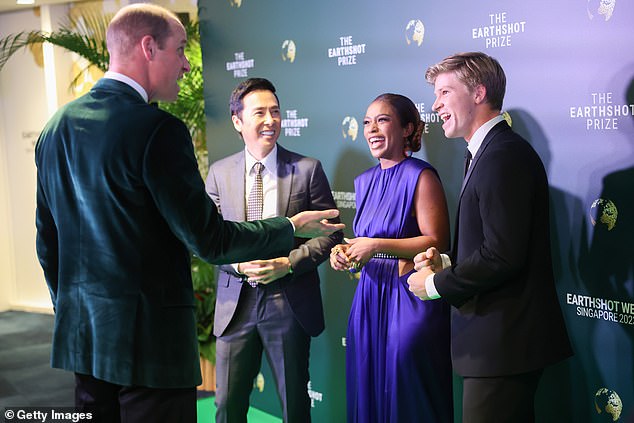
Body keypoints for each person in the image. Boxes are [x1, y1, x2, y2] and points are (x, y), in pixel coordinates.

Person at [34, 5, 343, 423]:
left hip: (82, 339)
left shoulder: (54, 128)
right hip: (150, 349)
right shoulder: (157, 130)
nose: (185, 64)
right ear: (148, 47)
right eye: (180, 50)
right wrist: (291, 225)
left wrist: (72, 309)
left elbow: (47, 242)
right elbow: (209, 239)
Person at [407, 52, 573, 422]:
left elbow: (502, 256)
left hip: (504, 345)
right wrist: (447, 262)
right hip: (496, 344)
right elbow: (495, 243)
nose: (435, 105)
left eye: (445, 92)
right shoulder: (488, 152)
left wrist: (434, 283)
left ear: (479, 92)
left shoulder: (503, 155)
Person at [205, 77, 343, 423]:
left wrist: (288, 263)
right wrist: (238, 266)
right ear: (238, 121)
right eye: (260, 113)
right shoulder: (219, 173)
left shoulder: (307, 170)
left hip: (288, 301)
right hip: (234, 305)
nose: (271, 120)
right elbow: (209, 241)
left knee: (295, 405)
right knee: (227, 408)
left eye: (276, 112)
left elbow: (329, 236)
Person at [330, 93, 453, 422]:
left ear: (407, 128)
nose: (371, 128)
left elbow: (438, 241)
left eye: (382, 120)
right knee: (369, 390)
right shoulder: (364, 182)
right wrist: (344, 253)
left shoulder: (421, 176)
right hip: (369, 299)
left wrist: (375, 245)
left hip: (410, 297)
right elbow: (366, 241)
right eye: (367, 121)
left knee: (409, 396)